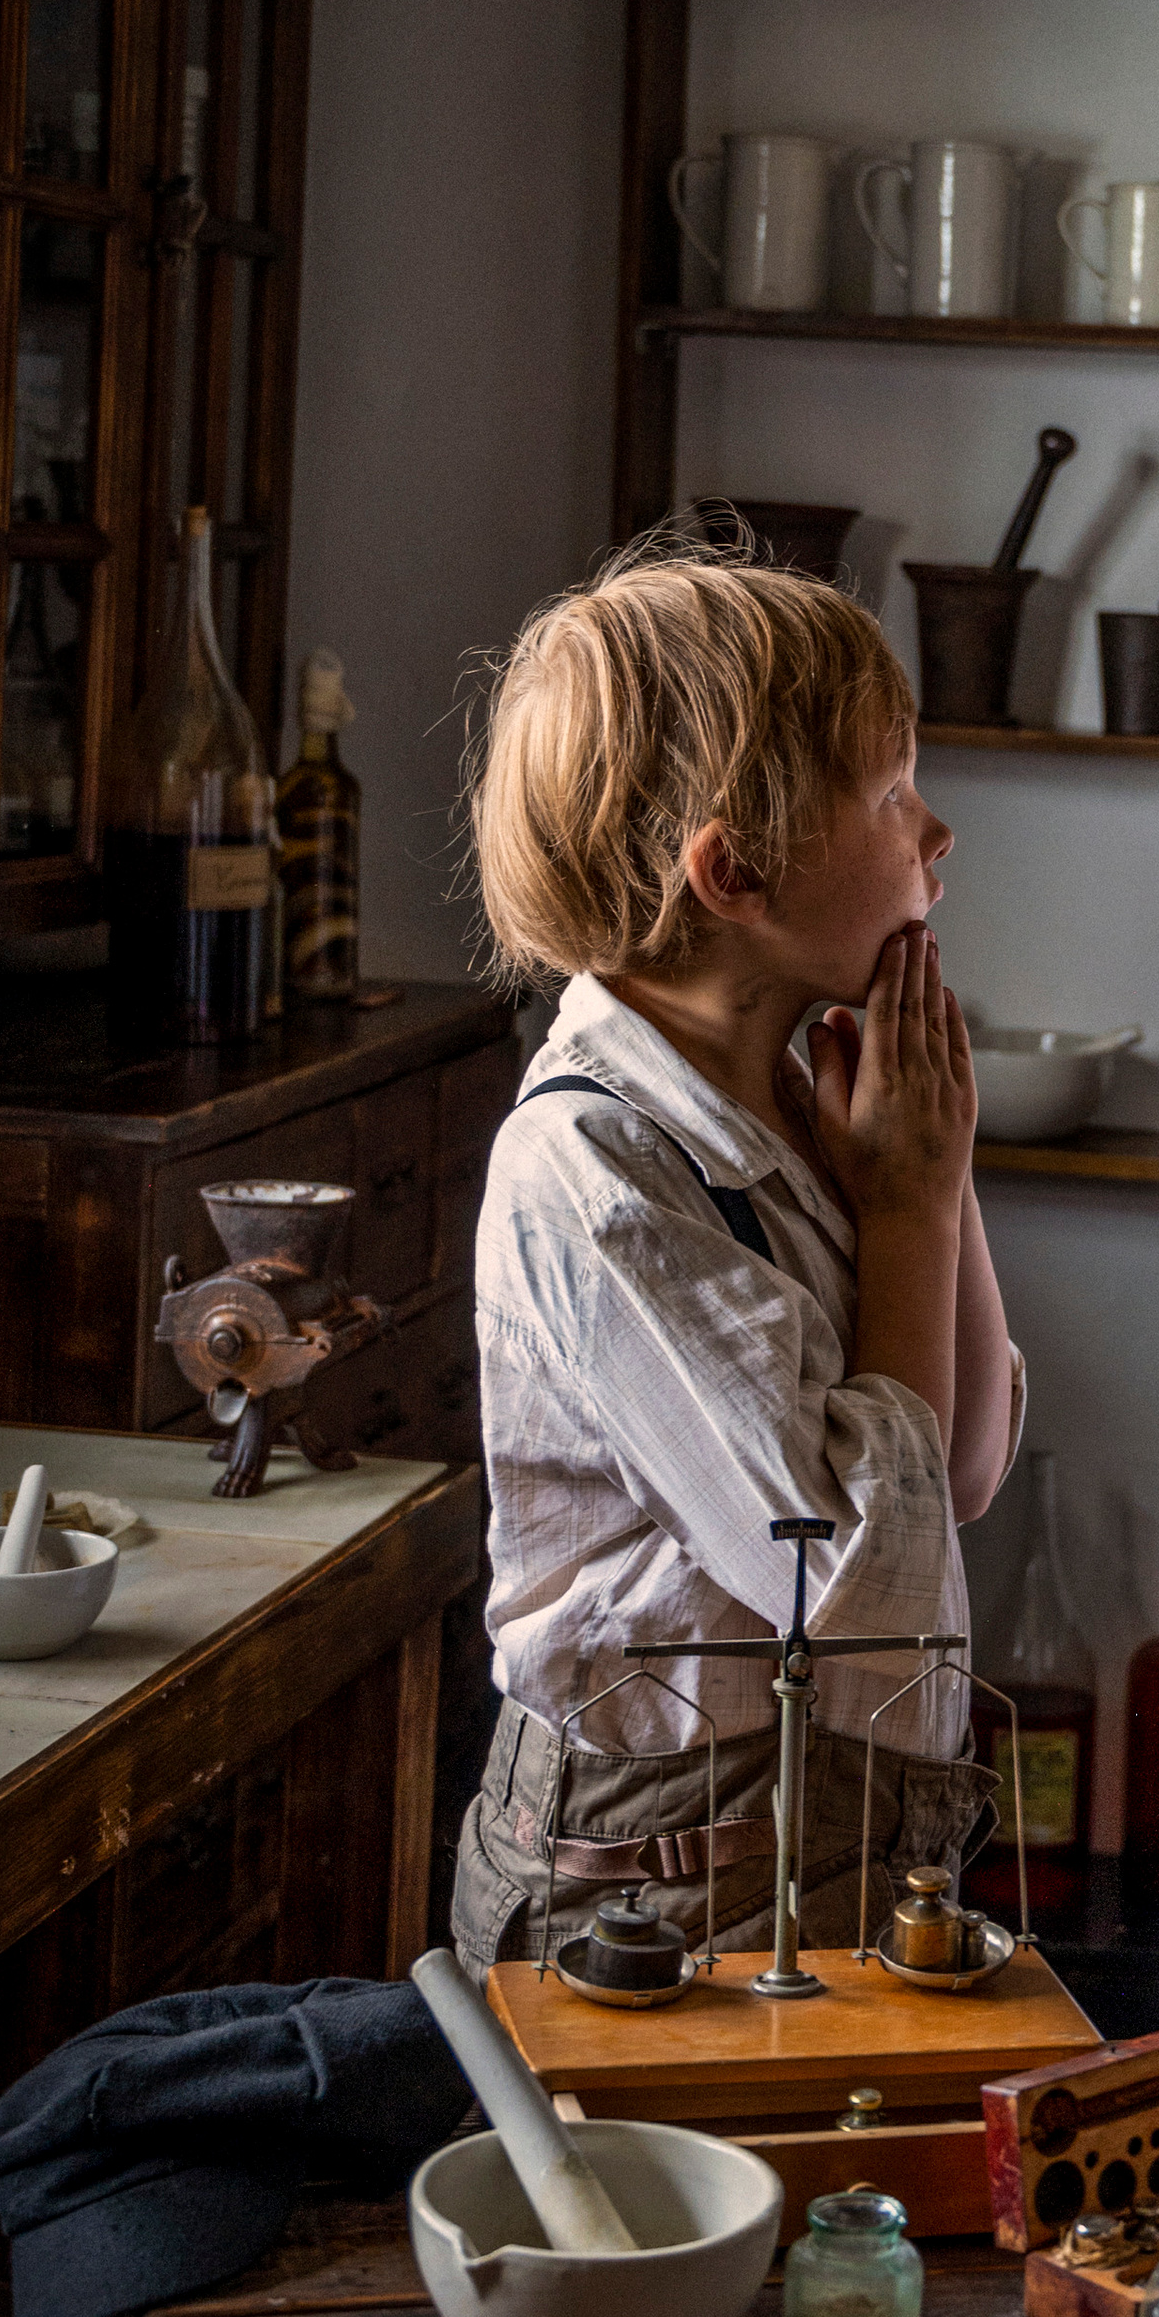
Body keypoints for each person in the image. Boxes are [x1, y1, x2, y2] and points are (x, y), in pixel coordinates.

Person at [450, 539, 1020, 1981]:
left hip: (830, 1838)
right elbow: (843, 1569)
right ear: (737, 869)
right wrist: (896, 1215)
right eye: (891, 793)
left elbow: (956, 1479)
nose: (936, 831)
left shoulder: (794, 1097)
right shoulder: (595, 1173)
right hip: (661, 1890)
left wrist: (928, 1186)